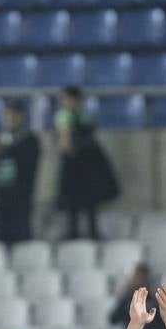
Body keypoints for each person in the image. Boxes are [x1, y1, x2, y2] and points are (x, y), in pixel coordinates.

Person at [53, 86, 119, 240]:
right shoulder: (64, 116)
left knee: (90, 200)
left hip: (87, 163)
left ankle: (92, 231)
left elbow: (75, 139)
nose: (64, 102)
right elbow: (64, 142)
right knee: (72, 200)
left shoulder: (84, 116)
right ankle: (73, 231)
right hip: (74, 164)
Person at [0, 101, 40, 246]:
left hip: (20, 194)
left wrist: (4, 149)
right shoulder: (1, 137)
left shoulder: (29, 139)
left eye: (13, 115)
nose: (10, 119)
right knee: (1, 234)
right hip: (2, 193)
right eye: (7, 115)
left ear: (22, 116)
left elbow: (27, 160)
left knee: (21, 235)